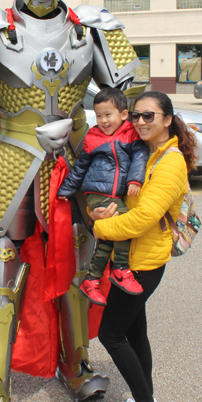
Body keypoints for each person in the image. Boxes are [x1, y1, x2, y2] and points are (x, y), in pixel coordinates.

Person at [90, 91, 197, 402]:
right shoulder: (150, 155)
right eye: (135, 116)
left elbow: (143, 219)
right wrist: (104, 209)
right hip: (133, 258)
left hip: (143, 263)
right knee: (135, 334)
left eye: (149, 116)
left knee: (111, 334)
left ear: (167, 119)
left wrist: (99, 228)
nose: (140, 122)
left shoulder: (170, 162)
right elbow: (126, 202)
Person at [57, 86, 148, 303]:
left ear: (124, 115)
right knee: (125, 222)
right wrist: (67, 189)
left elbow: (140, 156)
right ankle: (120, 268)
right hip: (97, 192)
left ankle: (92, 279)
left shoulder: (130, 134)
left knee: (109, 235)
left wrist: (135, 179)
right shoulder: (94, 136)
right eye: (99, 116)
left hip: (116, 194)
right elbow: (80, 167)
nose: (103, 121)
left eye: (108, 115)